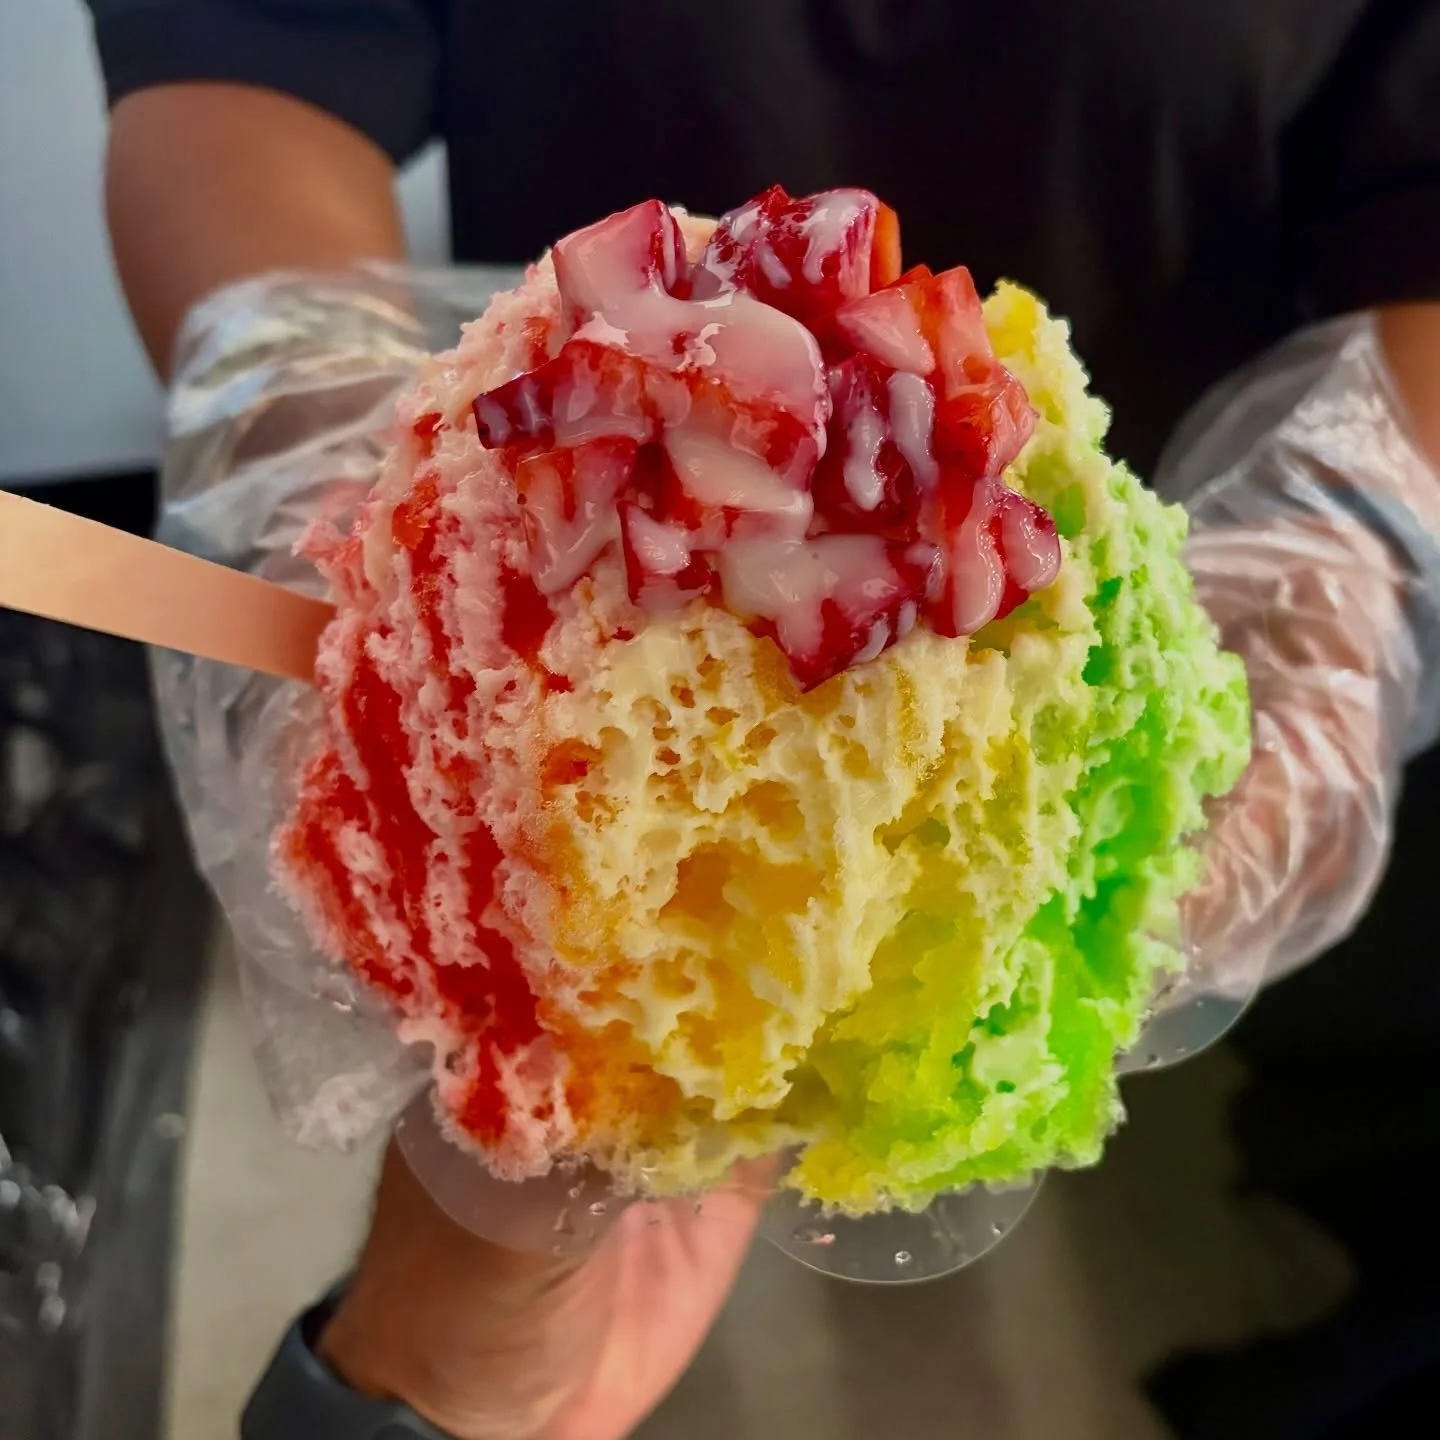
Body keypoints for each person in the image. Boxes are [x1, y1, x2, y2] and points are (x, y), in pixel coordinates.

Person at [80, 3, 1440, 1438]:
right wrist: (294, 397)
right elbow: (244, 58)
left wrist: (1353, 529)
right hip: (556, 519)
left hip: (1162, 549)